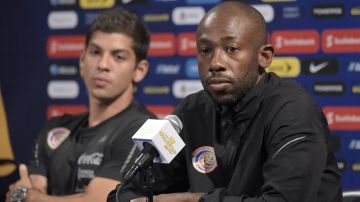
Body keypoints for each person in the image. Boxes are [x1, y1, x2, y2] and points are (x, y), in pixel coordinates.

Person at [110, 1, 342, 202]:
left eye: (231, 49)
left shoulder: (293, 112)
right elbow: (127, 192)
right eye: (205, 50)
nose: (215, 63)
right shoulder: (191, 112)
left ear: (265, 56)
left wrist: (195, 200)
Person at [6, 7, 156, 202]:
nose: (103, 64)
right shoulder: (56, 127)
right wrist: (26, 195)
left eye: (118, 56)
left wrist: (28, 197)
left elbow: (99, 200)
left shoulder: (146, 131)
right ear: (82, 59)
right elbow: (32, 190)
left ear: (140, 70)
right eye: (95, 52)